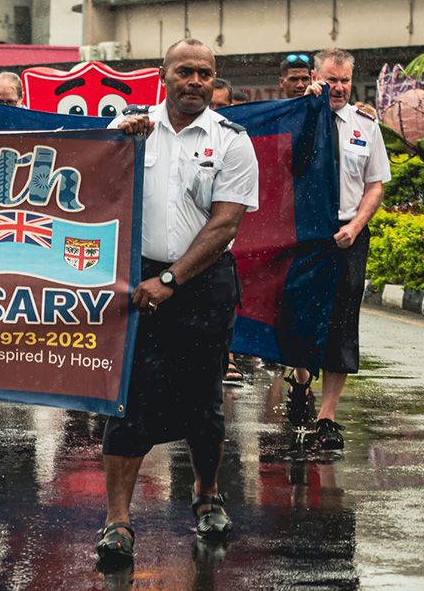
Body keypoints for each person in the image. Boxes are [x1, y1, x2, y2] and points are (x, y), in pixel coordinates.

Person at [95, 39, 259, 569]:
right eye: (184, 71)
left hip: (203, 285)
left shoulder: (233, 141)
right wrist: (118, 138)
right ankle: (117, 521)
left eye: (205, 73)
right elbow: (90, 184)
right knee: (127, 402)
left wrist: (170, 279)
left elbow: (225, 224)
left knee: (203, 400)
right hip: (135, 283)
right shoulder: (131, 131)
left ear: (213, 81)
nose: (195, 80)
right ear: (163, 76)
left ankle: (207, 496)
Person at [285, 48, 390, 450]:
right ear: (316, 76)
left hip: (348, 234)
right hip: (304, 236)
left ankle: (328, 416)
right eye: (331, 79)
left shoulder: (366, 124)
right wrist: (306, 109)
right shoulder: (298, 117)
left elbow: (375, 183)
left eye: (345, 80)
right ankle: (299, 379)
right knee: (299, 315)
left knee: (341, 322)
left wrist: (356, 226)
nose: (339, 87)